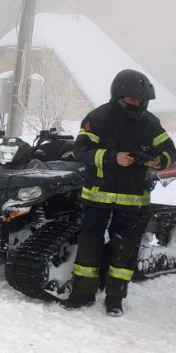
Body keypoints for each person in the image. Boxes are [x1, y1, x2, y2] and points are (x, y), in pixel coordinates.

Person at [61, 69, 175, 317]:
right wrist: (113, 158)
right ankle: (83, 294)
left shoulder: (151, 123)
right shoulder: (98, 117)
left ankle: (115, 299)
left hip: (134, 199)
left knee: (124, 251)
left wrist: (158, 161)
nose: (136, 105)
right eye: (131, 100)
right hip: (97, 196)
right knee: (89, 247)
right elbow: (80, 151)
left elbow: (170, 152)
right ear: (118, 96)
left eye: (140, 101)